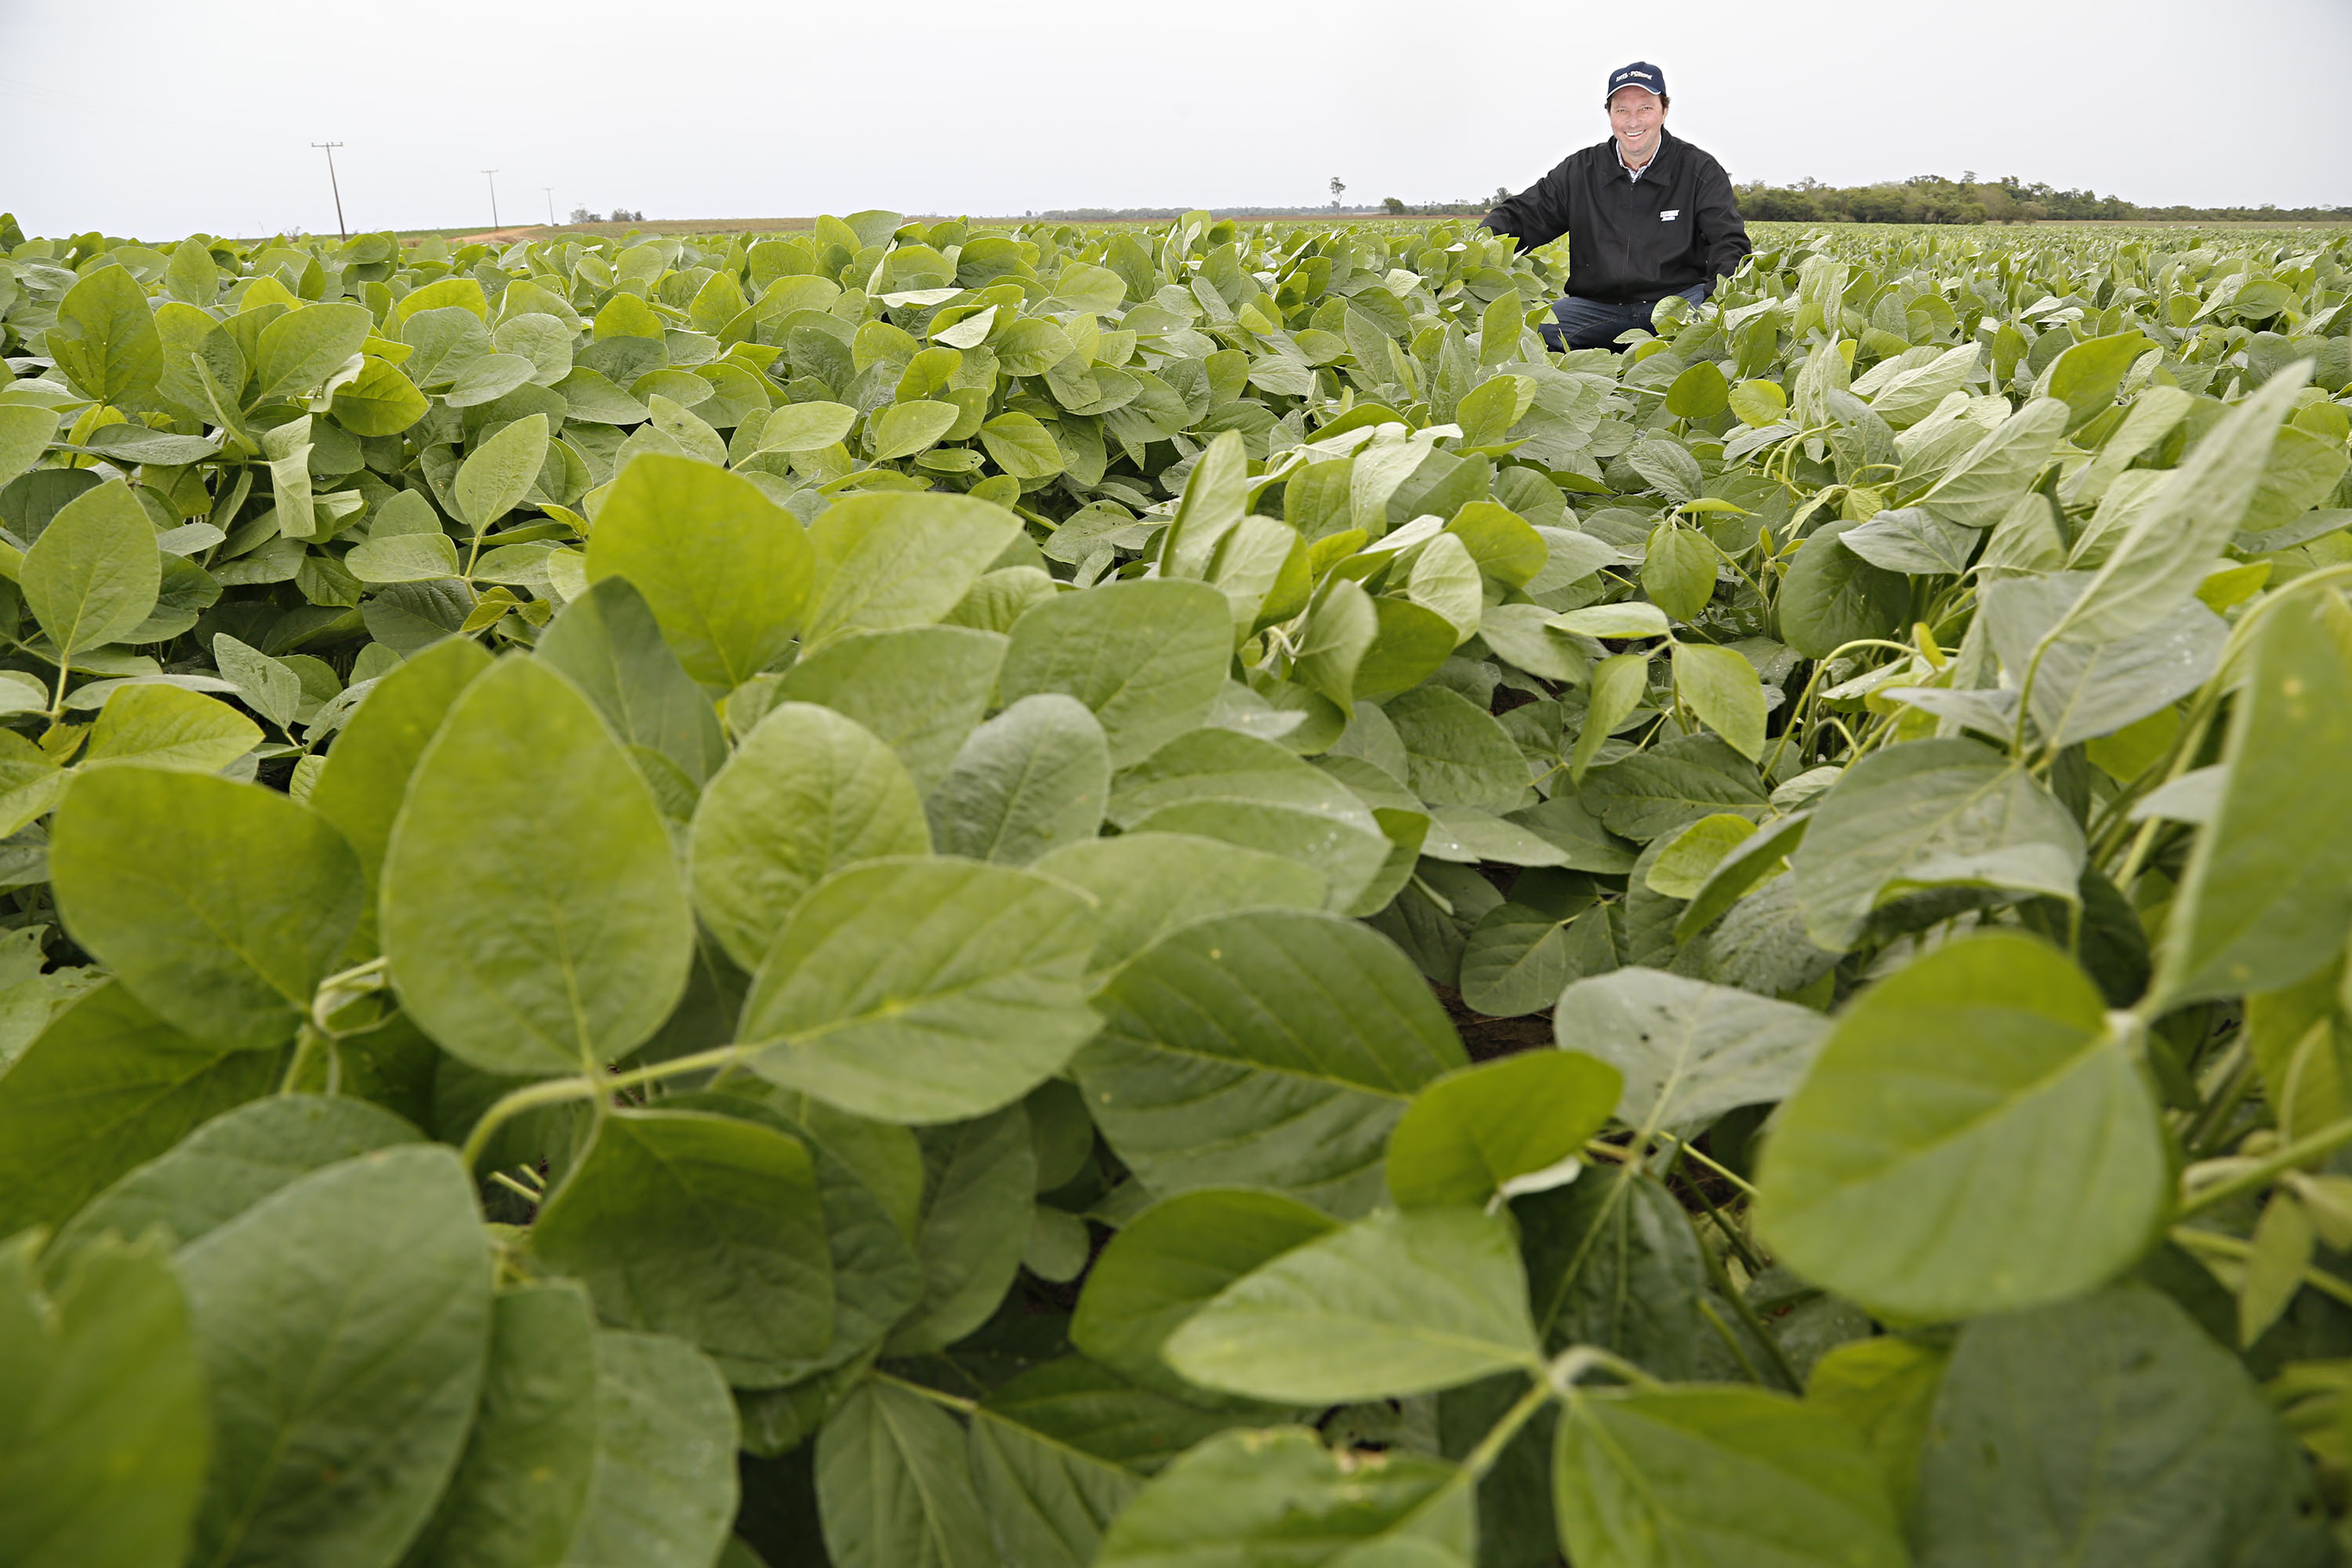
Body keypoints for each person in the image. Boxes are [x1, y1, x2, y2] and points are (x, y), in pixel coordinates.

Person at [1483, 62, 1751, 351]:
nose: (1633, 121)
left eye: (1645, 108)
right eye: (1622, 110)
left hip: (1676, 303)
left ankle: (1669, 349)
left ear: (1664, 111)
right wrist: (1479, 244)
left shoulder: (1699, 170)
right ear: (1610, 114)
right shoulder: (1580, 171)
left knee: (1709, 332)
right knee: (1531, 335)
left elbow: (1728, 243)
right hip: (1597, 309)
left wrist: (1716, 303)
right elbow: (1524, 215)